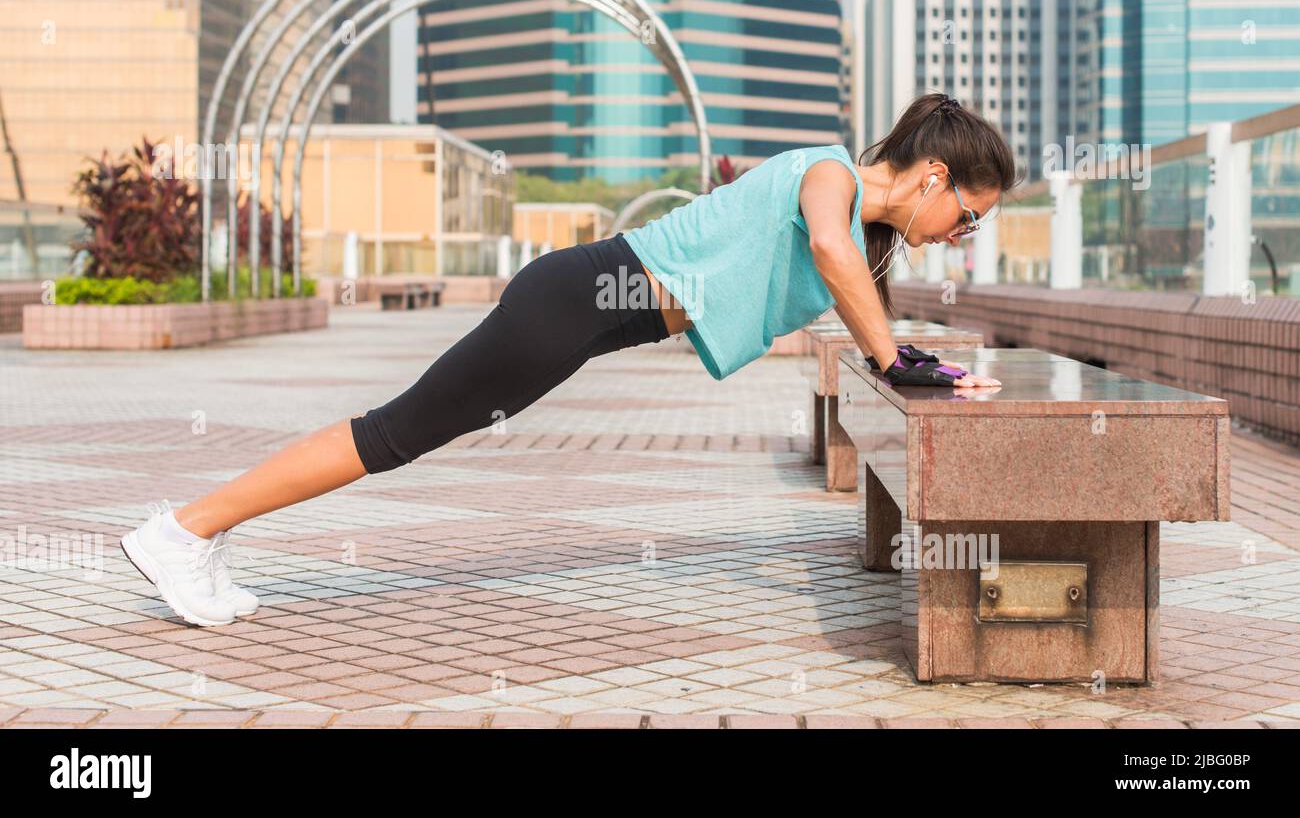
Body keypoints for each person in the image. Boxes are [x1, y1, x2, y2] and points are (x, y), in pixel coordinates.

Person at [119, 92, 1016, 626]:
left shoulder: (862, 226)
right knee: (392, 434)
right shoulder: (832, 177)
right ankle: (183, 531)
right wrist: (898, 355)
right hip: (574, 299)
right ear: (934, 175)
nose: (963, 233)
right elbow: (829, 254)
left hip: (583, 313)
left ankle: (197, 536)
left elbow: (863, 301)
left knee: (394, 432)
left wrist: (923, 365)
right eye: (969, 214)